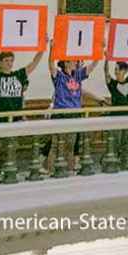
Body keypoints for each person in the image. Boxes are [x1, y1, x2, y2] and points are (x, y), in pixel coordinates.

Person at [43, 44, 102, 172]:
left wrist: (99, 50)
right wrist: (53, 49)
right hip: (61, 114)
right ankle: (50, 171)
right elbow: (51, 64)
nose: (76, 62)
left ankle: (70, 171)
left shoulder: (77, 75)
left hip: (75, 115)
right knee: (55, 146)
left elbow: (91, 67)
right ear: (66, 63)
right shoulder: (59, 76)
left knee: (71, 146)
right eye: (74, 60)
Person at [0, 47, 45, 175]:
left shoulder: (18, 75)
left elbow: (34, 63)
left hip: (14, 120)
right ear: (0, 62)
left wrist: (42, 48)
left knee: (11, 149)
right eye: (6, 60)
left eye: (11, 60)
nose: (9, 63)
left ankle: (9, 174)